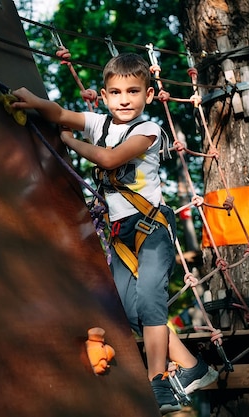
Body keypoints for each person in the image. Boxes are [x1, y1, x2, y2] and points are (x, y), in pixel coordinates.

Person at [12, 52, 217, 414]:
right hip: (121, 234)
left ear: (149, 96)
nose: (124, 99)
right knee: (128, 310)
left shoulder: (149, 130)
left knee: (151, 301)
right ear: (104, 97)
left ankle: (158, 382)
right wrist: (36, 101)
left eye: (133, 91)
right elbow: (61, 114)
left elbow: (109, 160)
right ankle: (191, 365)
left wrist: (70, 143)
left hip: (151, 227)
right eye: (116, 92)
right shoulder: (100, 125)